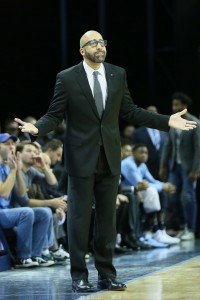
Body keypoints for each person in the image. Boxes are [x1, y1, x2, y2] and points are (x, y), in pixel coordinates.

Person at [14, 30, 197, 293]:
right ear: (82, 50)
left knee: (107, 221)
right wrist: (36, 129)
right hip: (80, 158)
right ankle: (79, 276)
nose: (99, 46)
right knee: (79, 220)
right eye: (93, 43)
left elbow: (130, 111)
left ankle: (106, 275)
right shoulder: (67, 78)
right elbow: (54, 115)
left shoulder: (117, 74)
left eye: (102, 42)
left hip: (110, 158)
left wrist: (166, 120)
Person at [0, 133, 54, 268]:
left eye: (13, 143)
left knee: (45, 212)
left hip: (7, 211)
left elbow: (21, 193)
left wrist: (17, 171)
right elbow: (4, 193)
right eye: (6, 144)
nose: (11, 147)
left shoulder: (8, 166)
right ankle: (22, 257)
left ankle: (36, 254)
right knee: (26, 212)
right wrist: (13, 171)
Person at [159, 92, 200, 240]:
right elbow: (167, 145)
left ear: (184, 106)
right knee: (173, 196)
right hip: (174, 165)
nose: (174, 107)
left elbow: (198, 147)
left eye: (177, 105)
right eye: (173, 104)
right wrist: (163, 165)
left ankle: (191, 229)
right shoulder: (173, 122)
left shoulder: (194, 122)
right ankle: (183, 226)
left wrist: (196, 169)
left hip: (189, 166)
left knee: (188, 197)